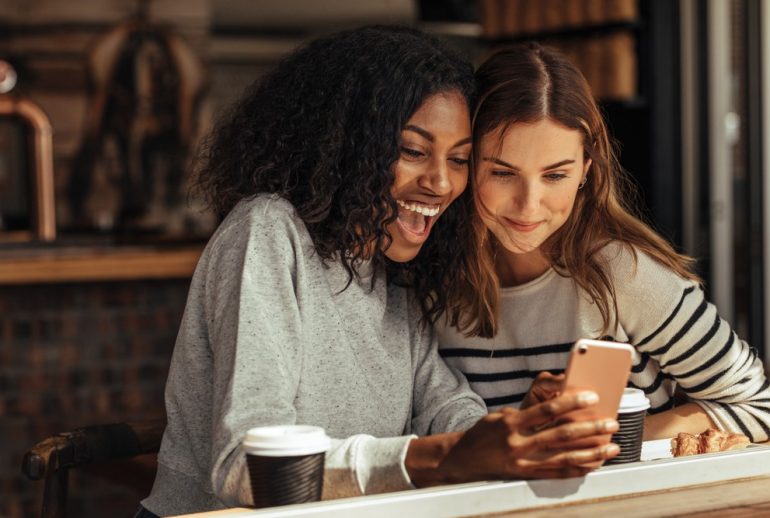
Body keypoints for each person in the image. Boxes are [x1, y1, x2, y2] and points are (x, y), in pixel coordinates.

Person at [138, 28, 619, 517]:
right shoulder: (268, 232)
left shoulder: (392, 270)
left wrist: (523, 429)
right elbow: (247, 466)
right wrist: (443, 457)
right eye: (413, 151)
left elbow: (445, 412)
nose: (439, 181)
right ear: (347, 145)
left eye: (458, 160)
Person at [437, 43, 770, 443]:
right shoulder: (431, 286)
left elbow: (760, 406)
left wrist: (625, 435)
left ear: (585, 172)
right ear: (466, 164)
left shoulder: (622, 275)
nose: (529, 205)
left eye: (555, 175)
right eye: (503, 173)